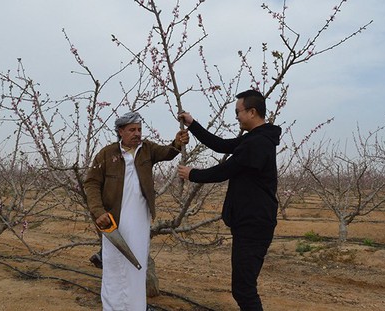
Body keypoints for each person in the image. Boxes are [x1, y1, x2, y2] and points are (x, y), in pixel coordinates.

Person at [177, 90, 281, 311]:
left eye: (238, 112)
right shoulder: (254, 138)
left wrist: (192, 174)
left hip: (254, 224)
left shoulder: (258, 143)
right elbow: (221, 145)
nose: (236, 117)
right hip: (249, 222)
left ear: (252, 112)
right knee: (243, 287)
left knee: (244, 289)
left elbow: (225, 170)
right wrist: (192, 124)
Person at [85, 111, 189, 311]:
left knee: (137, 263)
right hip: (113, 221)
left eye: (139, 129)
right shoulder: (106, 154)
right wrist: (98, 211)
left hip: (140, 219)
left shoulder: (147, 149)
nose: (137, 133)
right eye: (132, 130)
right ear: (121, 131)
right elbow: (91, 183)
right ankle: (112, 307)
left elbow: (167, 152)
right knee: (113, 265)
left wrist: (177, 142)